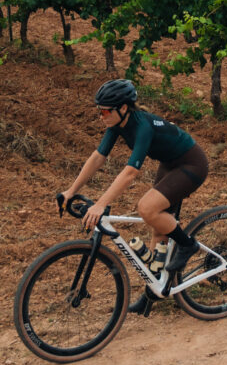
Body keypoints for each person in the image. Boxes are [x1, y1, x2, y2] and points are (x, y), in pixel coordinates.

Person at [60, 79, 209, 274]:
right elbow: (97, 157)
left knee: (147, 208)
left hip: (192, 164)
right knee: (158, 230)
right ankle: (156, 286)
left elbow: (130, 173)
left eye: (105, 111)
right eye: (99, 111)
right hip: (169, 164)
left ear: (123, 108)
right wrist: (71, 191)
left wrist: (101, 204)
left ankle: (187, 245)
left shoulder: (143, 126)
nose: (100, 116)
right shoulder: (117, 124)